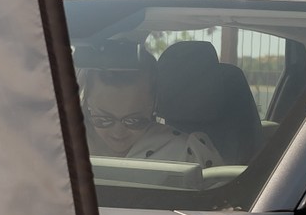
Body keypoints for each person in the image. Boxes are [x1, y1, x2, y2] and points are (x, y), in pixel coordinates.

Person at [83, 65, 221, 164]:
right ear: (87, 102)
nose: (118, 133)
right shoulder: (70, 148)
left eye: (134, 121)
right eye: (103, 119)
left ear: (154, 105)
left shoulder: (188, 154)